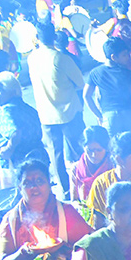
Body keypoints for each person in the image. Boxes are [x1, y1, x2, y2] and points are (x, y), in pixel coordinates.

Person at [27, 23, 85, 196]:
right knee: (77, 151)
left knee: (56, 155)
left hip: (46, 114)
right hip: (68, 112)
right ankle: (82, 185)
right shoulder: (60, 58)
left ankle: (66, 189)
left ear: (37, 38)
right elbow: (80, 83)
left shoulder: (32, 58)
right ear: (54, 37)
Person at [84, 38, 131, 134]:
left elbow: (86, 96)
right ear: (113, 57)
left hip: (109, 117)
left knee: (114, 146)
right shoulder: (126, 72)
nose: (128, 57)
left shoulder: (95, 73)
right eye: (124, 55)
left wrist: (99, 115)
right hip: (129, 113)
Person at [0, 74, 45, 171]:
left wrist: (9, 149)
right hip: (37, 161)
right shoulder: (28, 109)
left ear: (13, 92)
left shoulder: (7, 112)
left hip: (16, 166)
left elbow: (15, 132)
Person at [70, 124, 113, 202]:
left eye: (99, 150)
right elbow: (74, 201)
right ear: (83, 148)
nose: (94, 155)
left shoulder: (113, 167)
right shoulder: (76, 169)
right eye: (90, 150)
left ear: (106, 149)